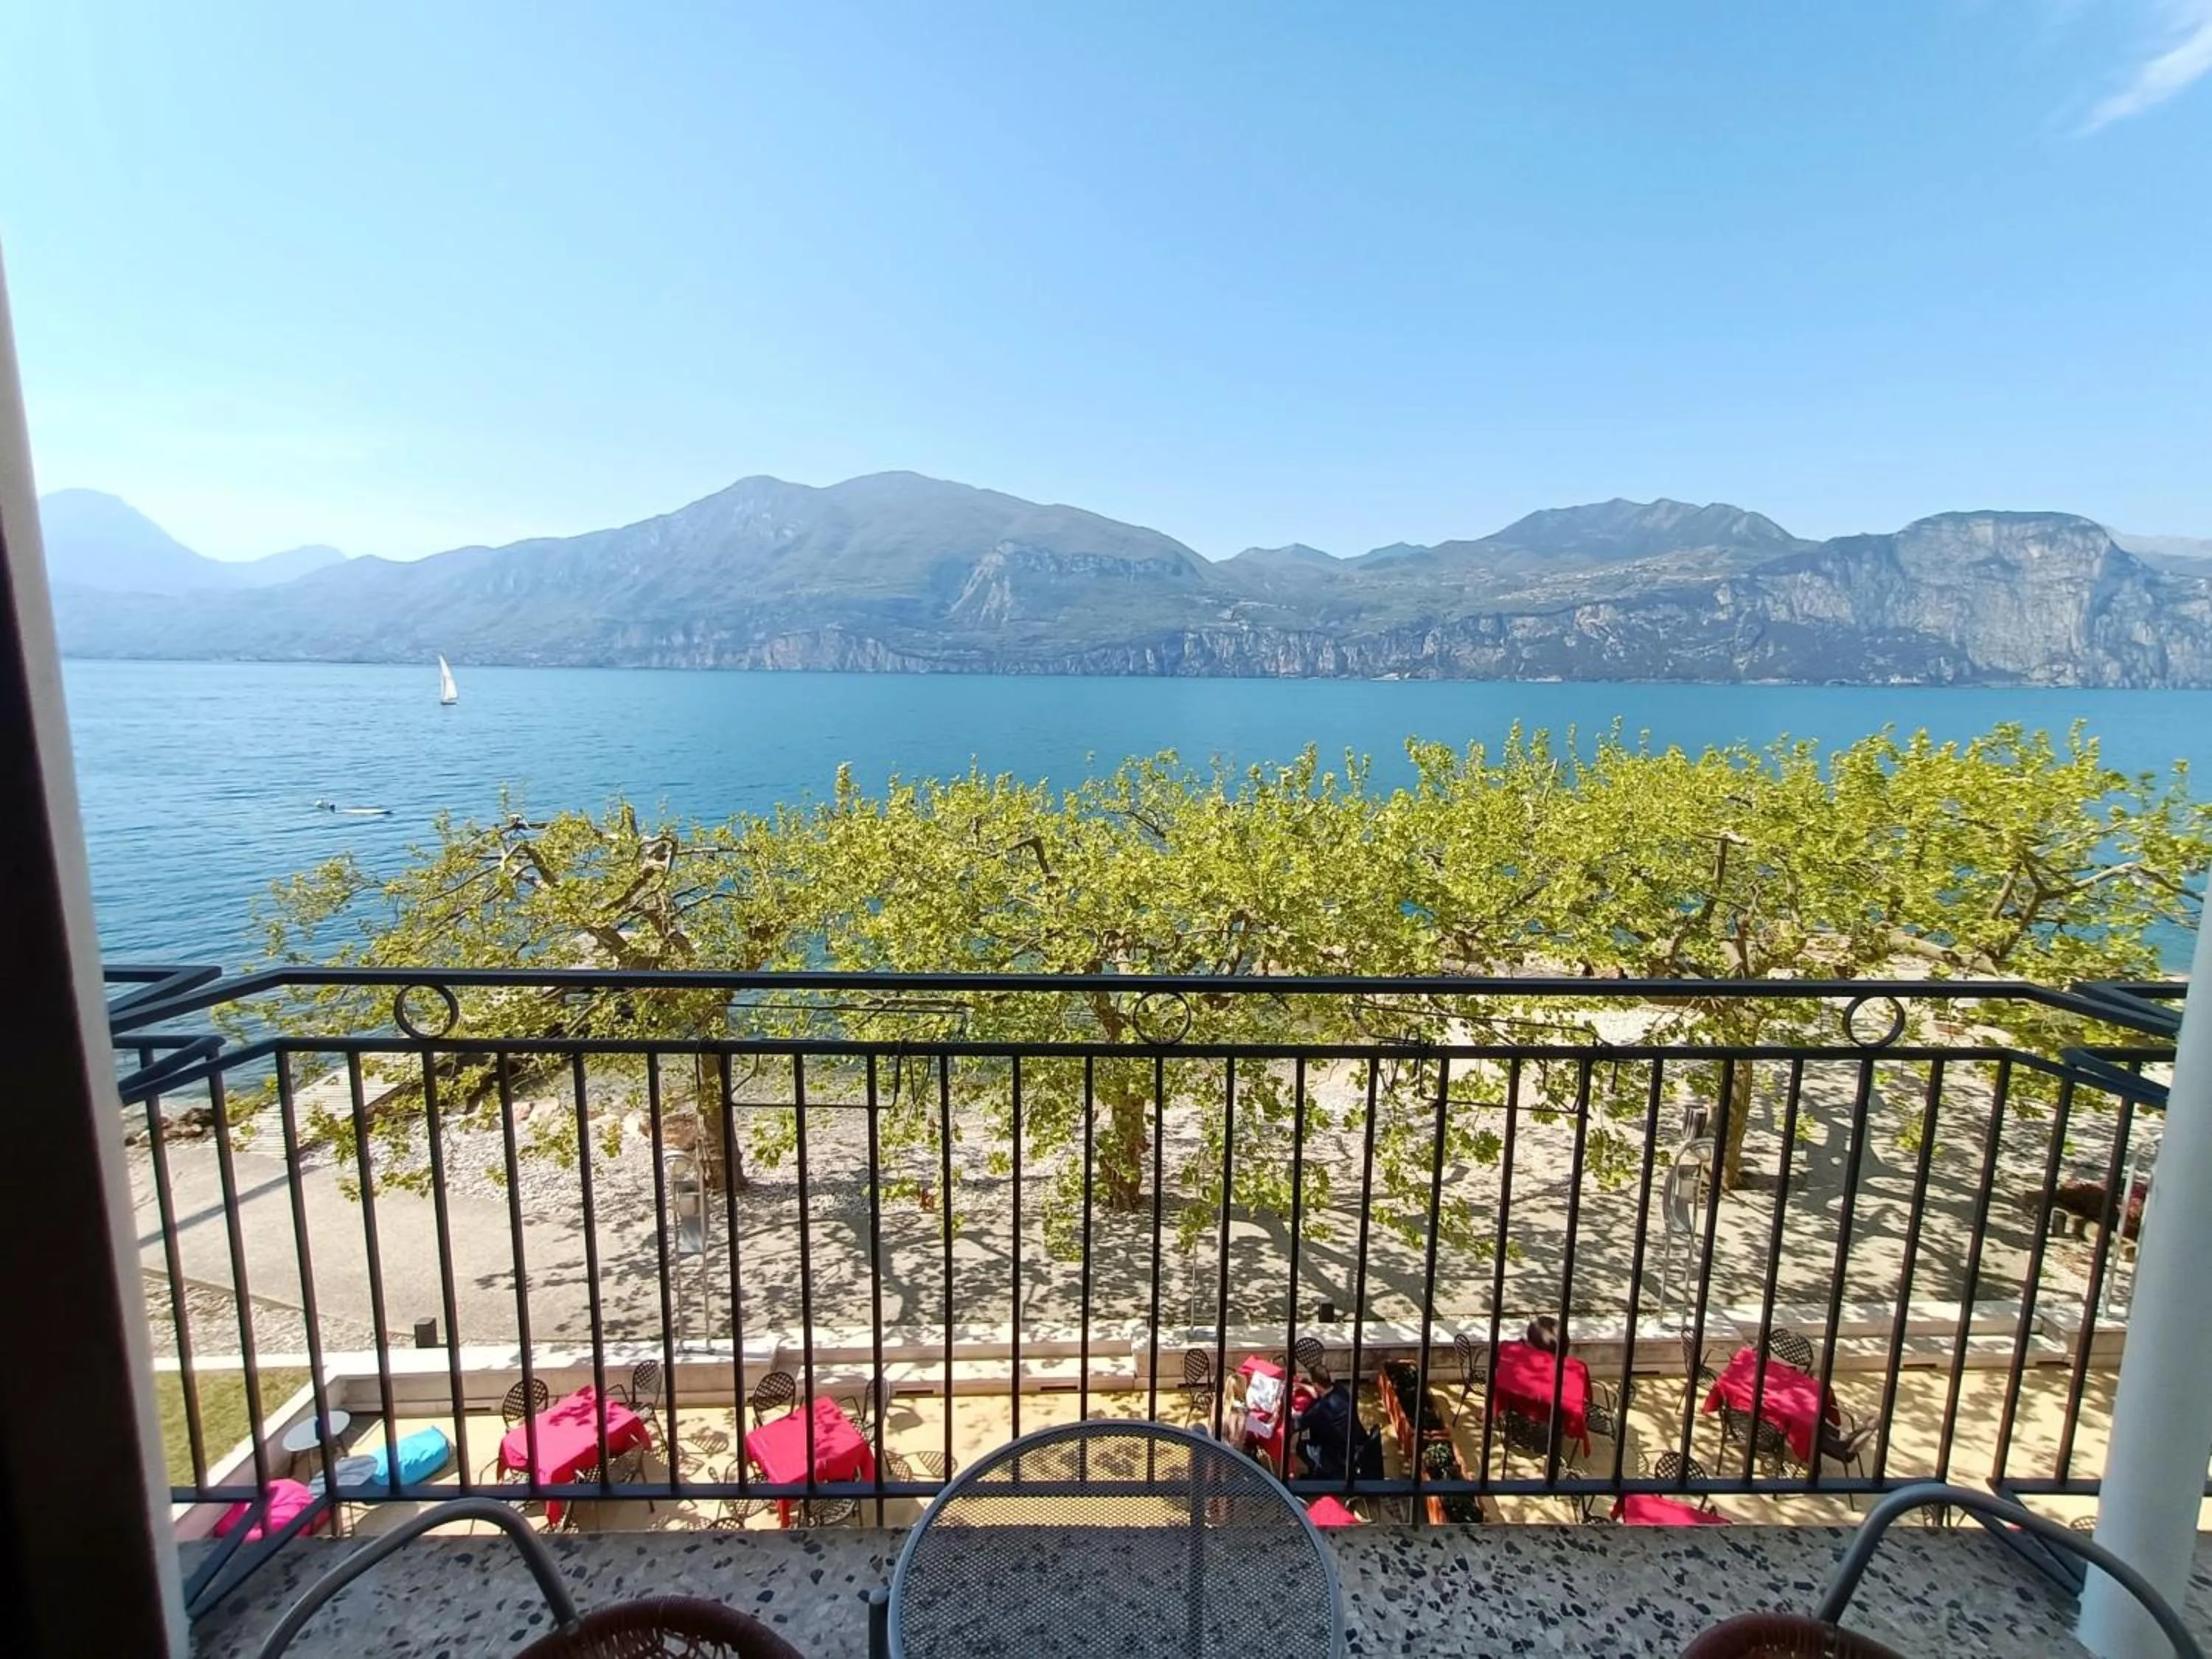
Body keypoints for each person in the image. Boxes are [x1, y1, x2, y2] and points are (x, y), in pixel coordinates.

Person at [1294, 1378, 1381, 1482]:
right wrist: (1304, 1386)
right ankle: (1323, 1472)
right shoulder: (1340, 1390)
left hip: (1338, 1453)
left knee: (1301, 1447)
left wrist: (1291, 1411)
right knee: (1319, 1433)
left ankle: (1321, 1474)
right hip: (1355, 1444)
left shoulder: (1321, 1410)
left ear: (1318, 1387)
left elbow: (1298, 1424)